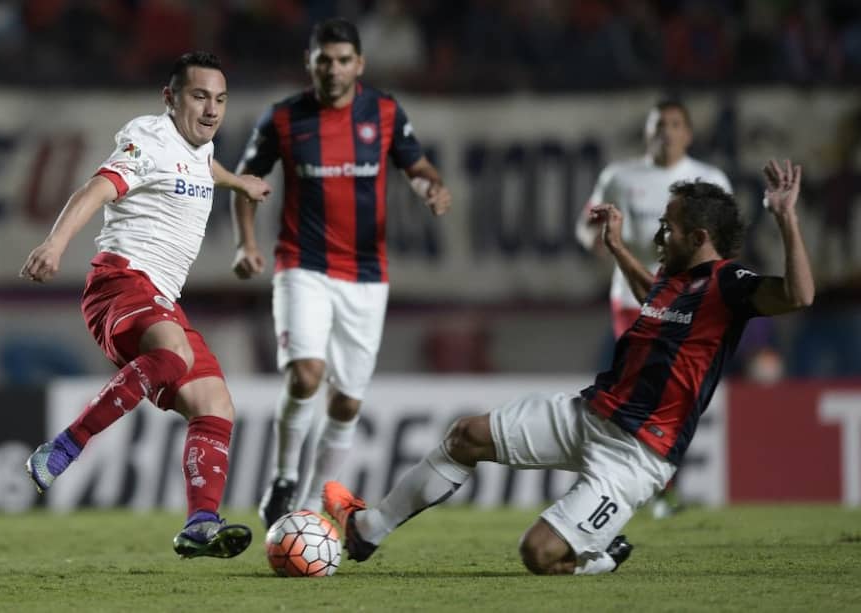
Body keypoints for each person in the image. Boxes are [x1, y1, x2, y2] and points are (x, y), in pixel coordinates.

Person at [323, 159, 813, 575]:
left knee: (537, 554)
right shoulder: (672, 276)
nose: (659, 233)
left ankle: (597, 558)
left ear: (701, 236)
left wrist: (786, 218)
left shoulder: (729, 285)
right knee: (465, 436)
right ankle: (368, 530)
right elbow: (654, 300)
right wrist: (618, 248)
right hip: (588, 413)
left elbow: (798, 294)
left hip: (635, 455)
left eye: (669, 225)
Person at [21, 51, 272, 559]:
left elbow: (203, 166)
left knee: (215, 405)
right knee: (174, 355)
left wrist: (237, 181)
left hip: (161, 297)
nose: (211, 109)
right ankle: (63, 448)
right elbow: (97, 188)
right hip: (121, 283)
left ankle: (201, 523)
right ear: (170, 98)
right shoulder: (148, 137)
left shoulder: (200, 147)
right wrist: (54, 244)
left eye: (220, 99)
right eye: (199, 96)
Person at [230, 17, 452, 529]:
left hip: (367, 274)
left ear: (360, 64)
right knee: (306, 374)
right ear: (310, 62)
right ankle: (284, 475)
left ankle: (308, 504)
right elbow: (248, 181)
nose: (333, 69)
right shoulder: (284, 118)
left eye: (343, 60)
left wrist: (429, 189)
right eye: (323, 59)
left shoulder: (386, 112)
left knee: (347, 402)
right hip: (301, 265)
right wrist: (247, 243)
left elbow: (417, 167)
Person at [576, 98, 732, 518]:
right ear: (646, 132)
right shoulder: (620, 176)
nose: (666, 131)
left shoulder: (709, 179)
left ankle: (653, 482)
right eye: (658, 123)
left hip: (689, 301)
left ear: (689, 133)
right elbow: (586, 223)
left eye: (675, 123)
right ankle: (646, 485)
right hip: (632, 298)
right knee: (643, 389)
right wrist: (593, 238)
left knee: (672, 392)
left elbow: (726, 240)